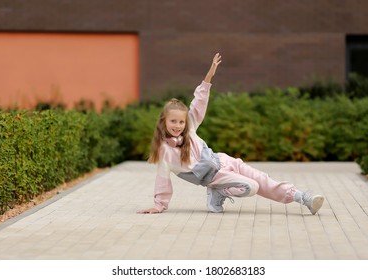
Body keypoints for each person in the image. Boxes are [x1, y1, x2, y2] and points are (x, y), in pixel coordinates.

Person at [137, 53, 324, 215]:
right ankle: (217, 192)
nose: (178, 126)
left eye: (181, 121)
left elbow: (199, 102)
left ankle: (303, 198)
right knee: (251, 187)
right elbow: (162, 178)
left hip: (225, 161)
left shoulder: (190, 128)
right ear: (164, 121)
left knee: (262, 179)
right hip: (214, 178)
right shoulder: (165, 152)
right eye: (173, 121)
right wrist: (158, 205)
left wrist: (209, 77)